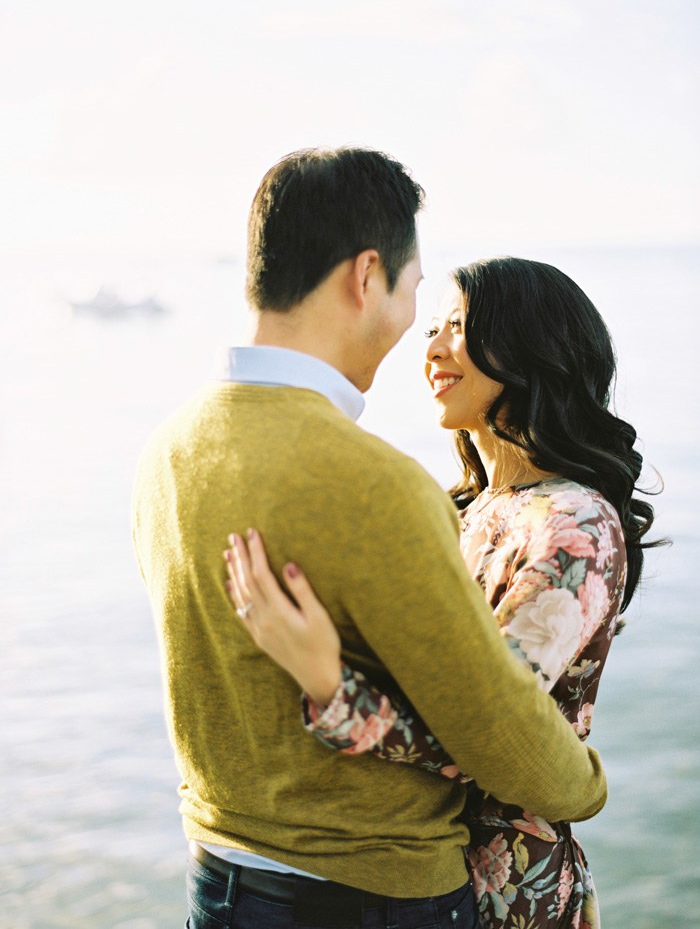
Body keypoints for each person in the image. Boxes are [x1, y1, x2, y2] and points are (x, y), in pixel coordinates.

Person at [132, 149, 608, 929]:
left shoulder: (166, 452)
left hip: (218, 878)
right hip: (369, 895)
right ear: (365, 277)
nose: (417, 331)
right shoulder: (378, 485)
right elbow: (499, 732)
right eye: (414, 293)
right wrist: (589, 787)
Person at [223, 256, 660, 928]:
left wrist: (329, 683)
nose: (431, 349)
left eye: (459, 326)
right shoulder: (466, 510)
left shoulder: (575, 525)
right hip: (414, 872)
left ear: (528, 344)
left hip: (510, 889)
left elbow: (490, 734)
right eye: (433, 327)